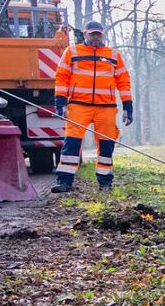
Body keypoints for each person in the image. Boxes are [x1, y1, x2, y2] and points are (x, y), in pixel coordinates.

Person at [52, 20, 133, 193]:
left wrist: (128, 106)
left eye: (98, 34)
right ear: (85, 34)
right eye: (92, 34)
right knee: (72, 142)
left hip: (106, 107)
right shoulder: (72, 52)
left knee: (106, 145)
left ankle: (105, 183)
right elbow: (62, 77)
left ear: (102, 35)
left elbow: (124, 82)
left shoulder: (113, 55)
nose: (95, 37)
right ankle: (65, 181)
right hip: (78, 106)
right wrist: (60, 102)